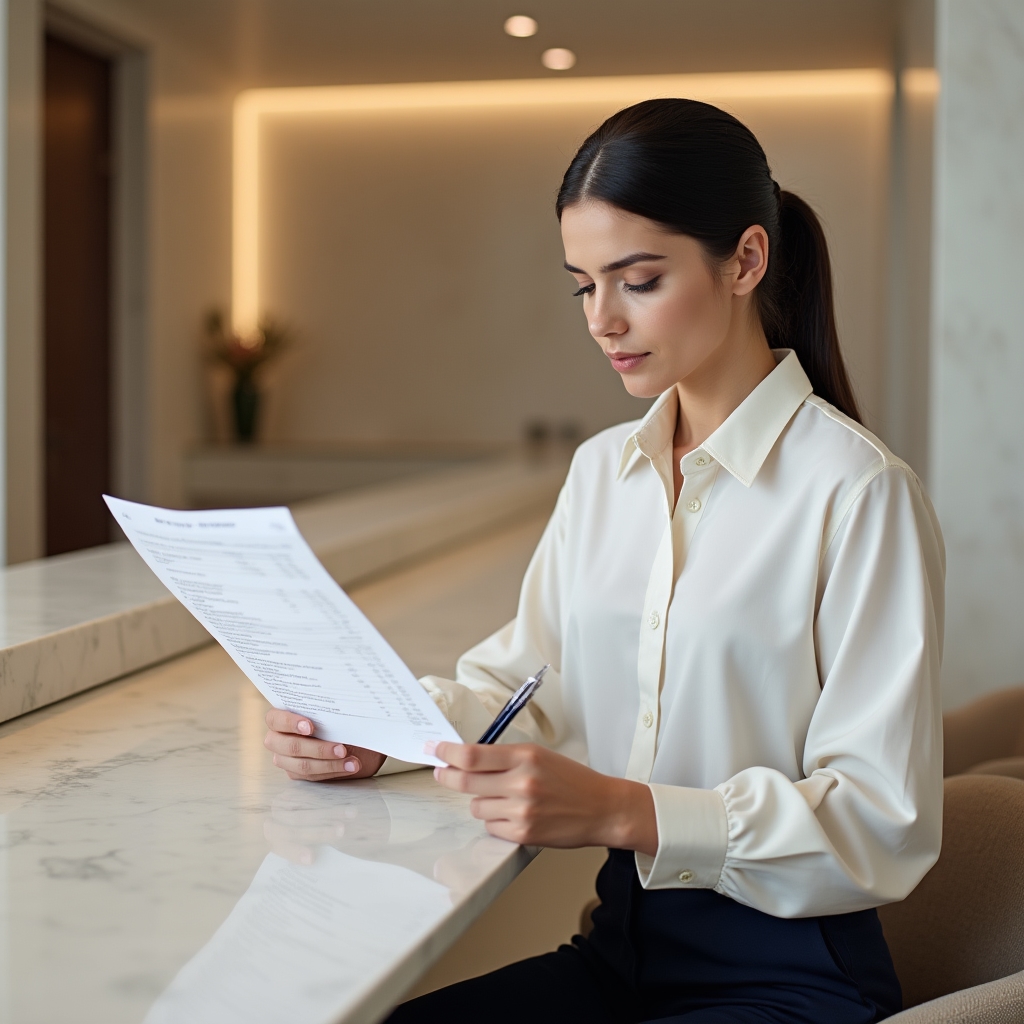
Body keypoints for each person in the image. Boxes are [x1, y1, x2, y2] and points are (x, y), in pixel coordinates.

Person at [263, 99, 945, 1023]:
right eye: (584, 285)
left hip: (787, 981)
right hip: (620, 953)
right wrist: (372, 734)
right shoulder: (602, 474)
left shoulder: (859, 493)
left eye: (638, 279)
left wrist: (626, 813)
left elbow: (880, 820)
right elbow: (527, 690)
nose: (603, 319)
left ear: (746, 259)